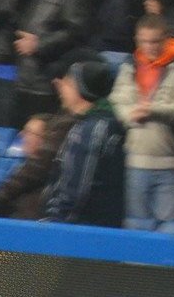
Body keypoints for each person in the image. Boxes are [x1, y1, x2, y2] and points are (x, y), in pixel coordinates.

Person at [109, 14, 174, 224]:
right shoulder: (130, 66)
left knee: (170, 232)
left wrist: (153, 110)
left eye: (154, 41)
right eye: (143, 41)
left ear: (167, 38)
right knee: (136, 230)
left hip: (173, 164)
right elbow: (118, 99)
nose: (149, 47)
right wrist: (130, 115)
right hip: (135, 161)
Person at [43, 60, 128, 226]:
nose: (61, 90)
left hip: (78, 228)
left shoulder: (91, 130)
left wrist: (55, 220)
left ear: (81, 89)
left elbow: (78, 188)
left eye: (67, 83)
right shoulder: (101, 123)